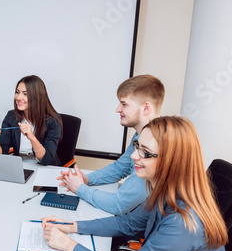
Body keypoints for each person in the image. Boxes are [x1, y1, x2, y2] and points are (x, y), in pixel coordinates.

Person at [41, 116, 232, 251]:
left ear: (170, 162)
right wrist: (72, 226)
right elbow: (127, 223)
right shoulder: (166, 192)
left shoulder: (182, 221)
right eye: (137, 146)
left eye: (146, 153)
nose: (134, 156)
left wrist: (69, 246)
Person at [59, 74, 165, 215]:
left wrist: (80, 188)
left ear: (146, 108)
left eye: (124, 104)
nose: (118, 109)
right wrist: (87, 179)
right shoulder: (141, 136)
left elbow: (118, 204)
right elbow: (120, 168)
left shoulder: (156, 147)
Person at [0, 75, 62, 166]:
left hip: (46, 168)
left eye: (25, 94)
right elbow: (1, 156)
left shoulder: (53, 120)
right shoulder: (11, 116)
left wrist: (32, 138)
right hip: (19, 166)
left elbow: (47, 160)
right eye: (17, 92)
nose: (18, 98)